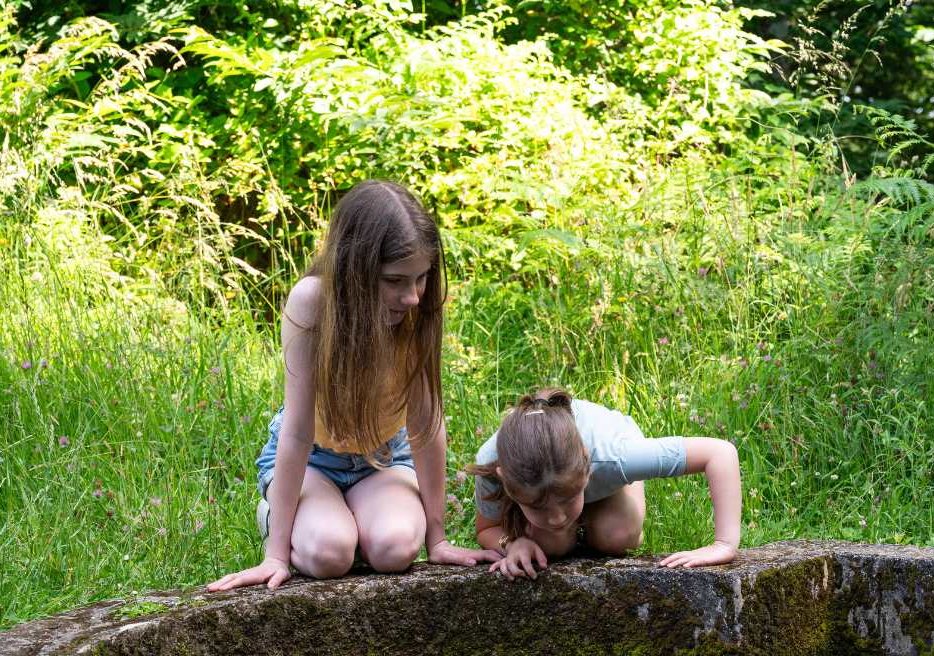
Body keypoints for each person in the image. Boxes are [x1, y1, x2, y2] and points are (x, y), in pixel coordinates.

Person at [207, 180, 498, 592]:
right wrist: (276, 556)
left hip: (384, 457)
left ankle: (354, 520)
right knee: (329, 554)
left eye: (421, 278)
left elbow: (425, 422)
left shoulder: (416, 309)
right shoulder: (312, 302)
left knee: (395, 550)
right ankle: (284, 517)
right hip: (313, 461)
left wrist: (438, 541)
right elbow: (297, 430)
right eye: (395, 280)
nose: (412, 297)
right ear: (354, 270)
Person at [468, 388, 740, 579]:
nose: (556, 517)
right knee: (549, 544)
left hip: (608, 476)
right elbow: (487, 529)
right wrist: (512, 543)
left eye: (568, 500)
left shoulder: (616, 456)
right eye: (538, 507)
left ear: (586, 462)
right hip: (568, 475)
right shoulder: (491, 463)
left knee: (616, 534)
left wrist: (724, 544)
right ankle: (566, 526)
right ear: (505, 480)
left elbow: (720, 453)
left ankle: (600, 514)